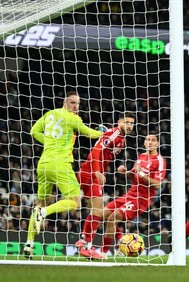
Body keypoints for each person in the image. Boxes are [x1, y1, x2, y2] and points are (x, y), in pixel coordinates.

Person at [23, 91, 103, 259]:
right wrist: (104, 133)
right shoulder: (72, 118)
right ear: (64, 102)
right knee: (75, 202)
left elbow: (33, 131)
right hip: (60, 165)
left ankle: (29, 244)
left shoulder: (50, 114)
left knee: (40, 202)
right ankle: (44, 213)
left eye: (78, 104)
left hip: (44, 164)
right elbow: (88, 133)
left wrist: (50, 142)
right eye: (73, 103)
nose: (75, 106)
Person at [74, 112, 136, 258]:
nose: (129, 126)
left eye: (132, 123)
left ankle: (115, 239)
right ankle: (85, 244)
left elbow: (105, 152)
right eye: (126, 122)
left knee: (97, 213)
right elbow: (96, 151)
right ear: (118, 122)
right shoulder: (113, 134)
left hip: (89, 171)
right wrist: (97, 171)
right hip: (92, 173)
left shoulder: (121, 140)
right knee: (97, 212)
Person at [99, 132, 167, 258]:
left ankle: (102, 253)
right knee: (102, 215)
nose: (150, 142)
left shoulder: (160, 161)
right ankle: (121, 239)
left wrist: (141, 174)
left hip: (141, 200)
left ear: (157, 143)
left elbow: (157, 185)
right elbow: (132, 176)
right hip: (130, 194)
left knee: (112, 219)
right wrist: (125, 172)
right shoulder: (141, 156)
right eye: (148, 140)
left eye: (153, 140)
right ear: (144, 143)